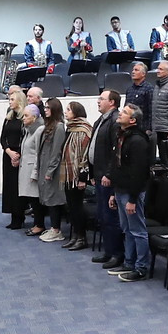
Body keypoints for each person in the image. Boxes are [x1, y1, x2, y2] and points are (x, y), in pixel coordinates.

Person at [110, 103, 154, 281]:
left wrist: (133, 199)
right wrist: (114, 192)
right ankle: (129, 263)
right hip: (121, 190)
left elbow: (139, 172)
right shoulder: (122, 135)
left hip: (132, 193)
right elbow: (118, 167)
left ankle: (141, 268)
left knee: (138, 231)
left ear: (133, 120)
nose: (120, 114)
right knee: (127, 229)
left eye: (124, 113)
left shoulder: (138, 140)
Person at [87, 89, 124, 267]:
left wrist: (109, 174)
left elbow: (115, 153)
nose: (98, 101)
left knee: (111, 217)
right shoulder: (100, 120)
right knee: (103, 216)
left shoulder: (115, 121)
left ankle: (116, 254)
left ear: (112, 102)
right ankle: (108, 251)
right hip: (99, 175)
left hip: (107, 178)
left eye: (102, 99)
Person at [34, 98, 71, 236]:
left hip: (53, 170)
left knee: (53, 199)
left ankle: (56, 230)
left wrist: (49, 171)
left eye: (48, 108)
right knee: (47, 198)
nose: (45, 110)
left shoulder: (59, 127)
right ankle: (53, 228)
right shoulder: (49, 125)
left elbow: (56, 151)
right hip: (45, 166)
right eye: (45, 107)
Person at [60, 100, 93, 250]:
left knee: (78, 207)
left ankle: (81, 237)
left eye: (69, 110)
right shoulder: (70, 128)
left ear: (76, 112)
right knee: (71, 207)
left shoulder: (83, 129)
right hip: (68, 174)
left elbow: (84, 156)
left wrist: (82, 178)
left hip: (78, 176)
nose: (66, 112)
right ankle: (75, 236)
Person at [0, 87, 28, 229]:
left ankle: (19, 216)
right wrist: (8, 151)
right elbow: (2, 137)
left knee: (18, 187)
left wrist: (16, 155)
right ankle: (13, 217)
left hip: (19, 156)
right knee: (9, 186)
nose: (9, 102)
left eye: (12, 99)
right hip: (8, 155)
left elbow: (25, 138)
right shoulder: (8, 117)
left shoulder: (24, 117)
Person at [17, 102, 44, 232]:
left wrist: (35, 173)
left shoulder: (39, 130)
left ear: (34, 118)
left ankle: (39, 225)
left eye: (26, 116)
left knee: (35, 199)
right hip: (25, 168)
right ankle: (36, 224)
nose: (23, 118)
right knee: (31, 198)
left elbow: (39, 153)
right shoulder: (28, 130)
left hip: (32, 169)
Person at [123, 59, 155, 129]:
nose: (133, 72)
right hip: (129, 126)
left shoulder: (149, 89)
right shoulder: (129, 89)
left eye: (136, 70)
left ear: (143, 74)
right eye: (133, 70)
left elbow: (151, 111)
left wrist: (149, 129)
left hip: (143, 127)